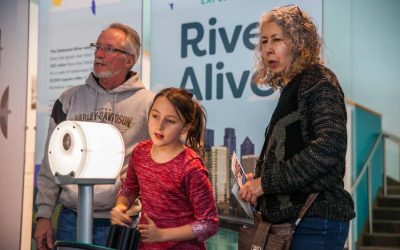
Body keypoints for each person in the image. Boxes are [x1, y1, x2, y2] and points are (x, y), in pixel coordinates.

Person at [239, 5, 355, 250]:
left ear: (299, 42)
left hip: (314, 223)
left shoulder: (318, 80)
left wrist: (265, 183)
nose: (268, 48)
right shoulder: (292, 88)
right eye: (263, 41)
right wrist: (259, 180)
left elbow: (328, 148)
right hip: (297, 224)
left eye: (277, 39)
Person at [34, 23, 155, 249]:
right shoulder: (69, 98)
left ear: (129, 60)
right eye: (97, 47)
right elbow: (52, 162)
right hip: (71, 218)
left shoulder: (149, 104)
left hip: (121, 223)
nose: (99, 54)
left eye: (109, 49)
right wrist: (43, 215)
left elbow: (160, 164)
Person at [110, 87, 219, 249]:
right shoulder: (140, 152)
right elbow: (129, 189)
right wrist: (120, 206)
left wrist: (162, 235)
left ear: (185, 127)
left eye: (170, 120)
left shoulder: (191, 167)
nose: (160, 126)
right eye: (155, 116)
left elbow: (209, 223)